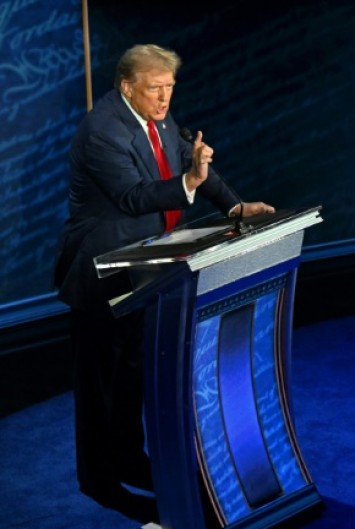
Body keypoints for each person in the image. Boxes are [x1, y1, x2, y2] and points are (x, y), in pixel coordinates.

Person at [53, 44, 274, 522]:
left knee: (132, 375)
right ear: (127, 86)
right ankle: (99, 479)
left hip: (147, 268)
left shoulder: (157, 118)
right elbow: (134, 197)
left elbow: (187, 161)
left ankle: (131, 457)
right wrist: (191, 181)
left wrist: (234, 207)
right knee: (100, 385)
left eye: (170, 88)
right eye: (156, 89)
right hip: (102, 271)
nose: (165, 98)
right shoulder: (102, 131)